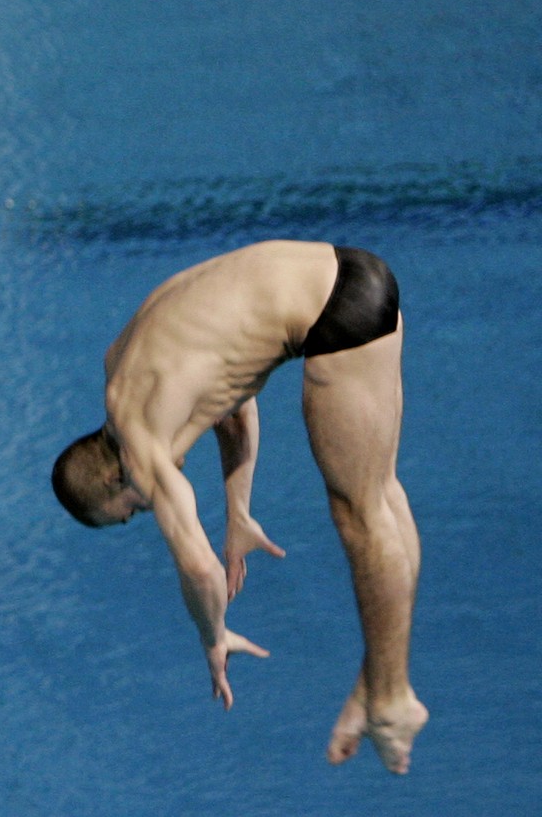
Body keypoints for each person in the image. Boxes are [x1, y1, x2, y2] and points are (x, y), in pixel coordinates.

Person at [51, 240, 427, 774]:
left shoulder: (139, 448)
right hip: (352, 269)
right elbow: (234, 400)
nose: (144, 509)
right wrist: (238, 512)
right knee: (382, 495)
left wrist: (213, 637)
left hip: (334, 313)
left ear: (115, 477)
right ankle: (379, 679)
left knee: (358, 515)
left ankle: (393, 703)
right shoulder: (123, 367)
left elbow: (199, 568)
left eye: (130, 511)